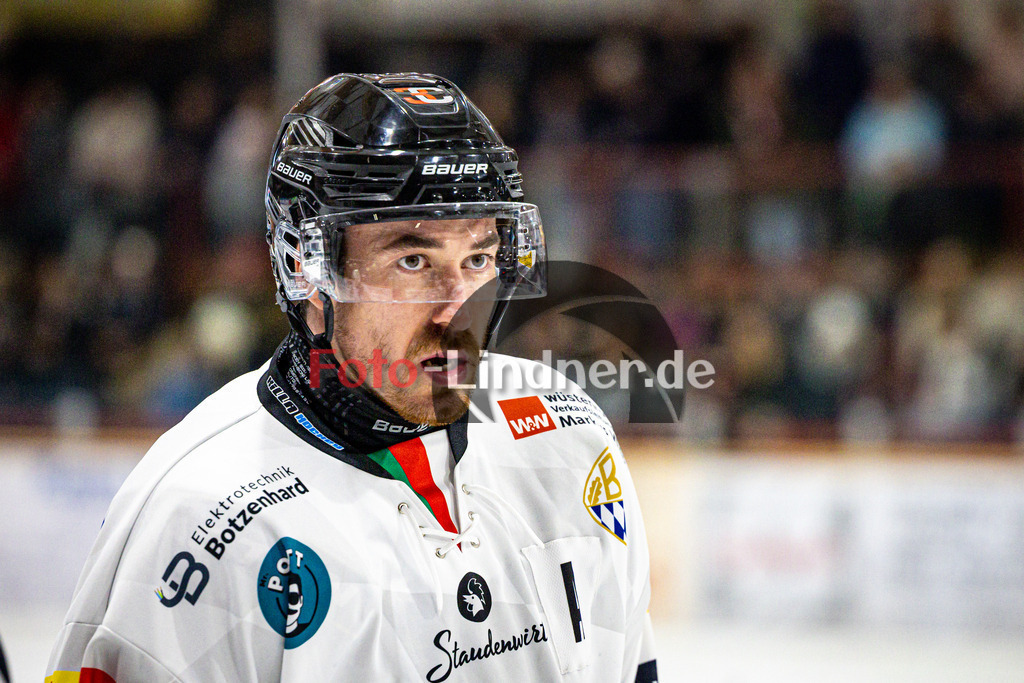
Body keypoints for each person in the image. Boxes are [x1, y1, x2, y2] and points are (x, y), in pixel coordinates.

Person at [47, 73, 657, 682]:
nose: (458, 309)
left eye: (477, 258)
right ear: (306, 269)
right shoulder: (197, 517)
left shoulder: (569, 435)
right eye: (412, 261)